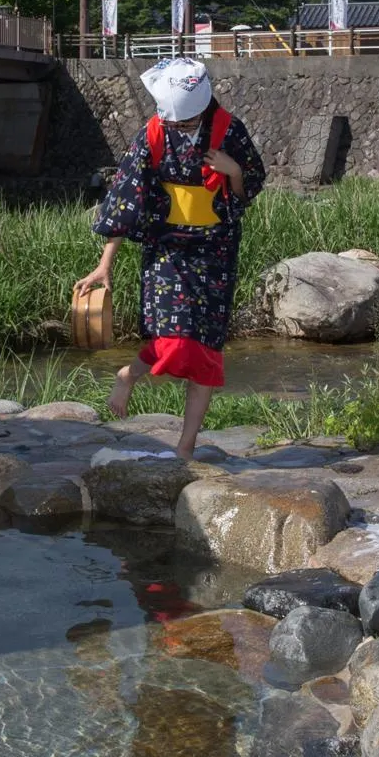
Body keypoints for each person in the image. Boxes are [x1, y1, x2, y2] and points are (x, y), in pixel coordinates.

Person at [75, 57, 266, 460]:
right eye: (175, 124)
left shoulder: (229, 130)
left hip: (216, 249)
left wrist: (232, 172)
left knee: (206, 348)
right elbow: (127, 197)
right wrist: (105, 262)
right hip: (167, 249)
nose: (179, 129)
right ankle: (130, 375)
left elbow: (249, 188)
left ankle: (186, 445)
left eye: (186, 123)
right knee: (173, 339)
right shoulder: (153, 133)